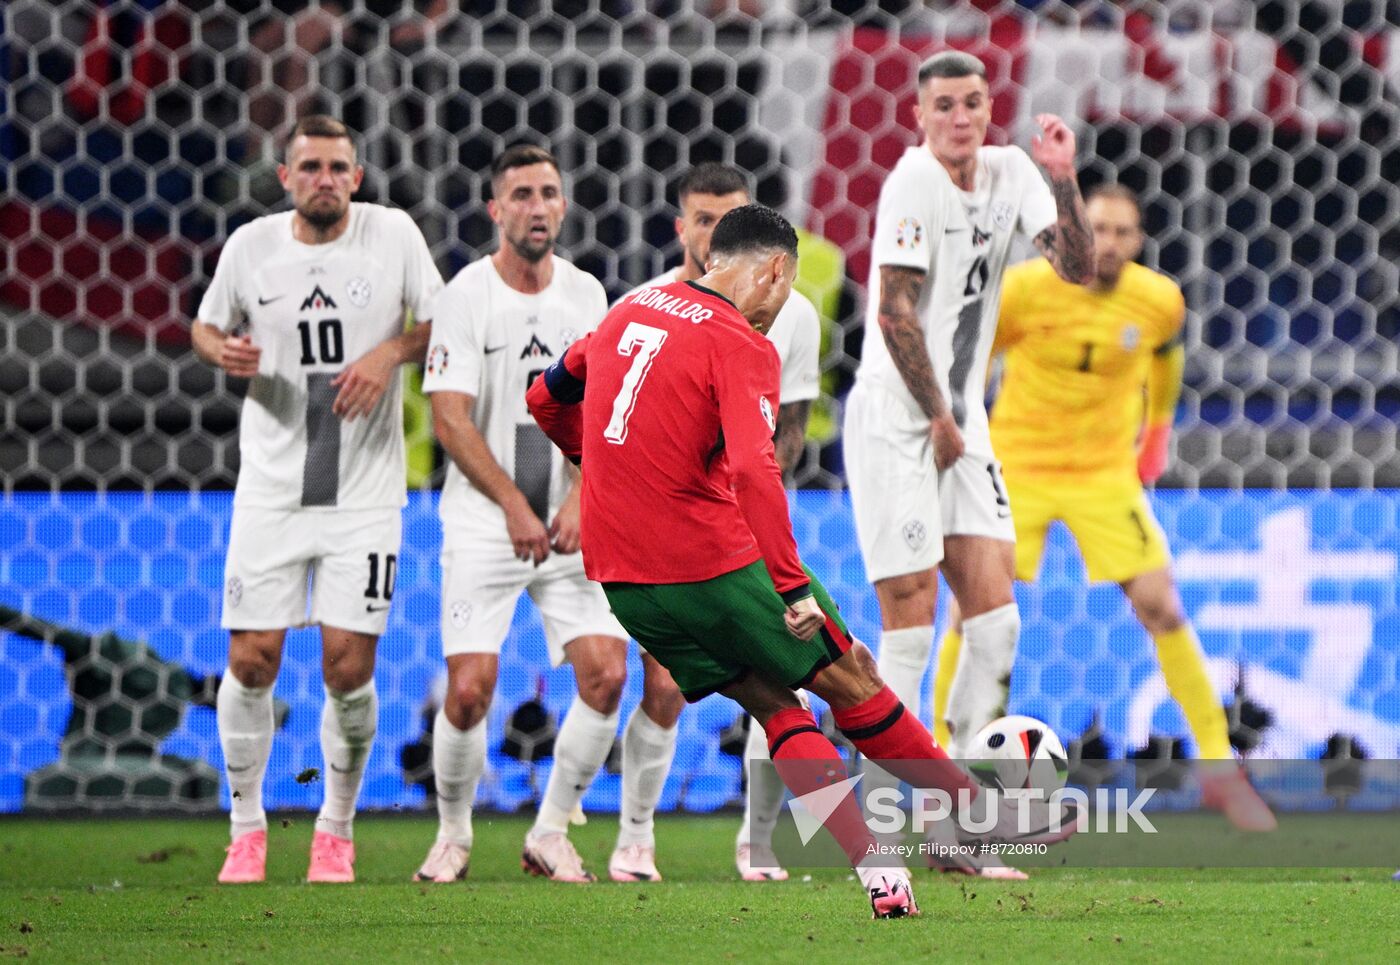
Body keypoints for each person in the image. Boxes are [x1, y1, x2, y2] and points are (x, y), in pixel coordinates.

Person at [527, 203, 1075, 920]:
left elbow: (545, 397)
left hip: (627, 581)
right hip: (712, 563)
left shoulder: (629, 310)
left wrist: (597, 462)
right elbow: (756, 473)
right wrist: (791, 586)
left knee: (773, 703)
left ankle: (880, 870)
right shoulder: (742, 343)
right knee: (853, 677)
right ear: (776, 270)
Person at [931, 184, 1276, 831]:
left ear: (1139, 239)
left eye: (1122, 231)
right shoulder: (1026, 289)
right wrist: (964, 434)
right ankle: (943, 761)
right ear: (1070, 232)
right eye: (1098, 229)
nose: (1109, 242)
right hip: (1019, 467)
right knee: (972, 609)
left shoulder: (1157, 299)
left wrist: (1157, 435)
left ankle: (1217, 766)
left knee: (1161, 604)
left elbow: (1166, 365)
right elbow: (975, 359)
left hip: (1102, 474)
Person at [191, 115, 443, 884]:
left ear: (357, 177)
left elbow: (440, 323)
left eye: (338, 167)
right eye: (311, 167)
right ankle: (246, 829)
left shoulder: (393, 235)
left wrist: (388, 351)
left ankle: (335, 828)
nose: (325, 179)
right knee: (251, 657)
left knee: (345, 666)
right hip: (269, 490)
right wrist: (222, 351)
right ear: (285, 174)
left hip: (362, 496)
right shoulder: (251, 247)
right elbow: (205, 326)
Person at [844, 50, 1093, 768]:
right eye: (945, 105)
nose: (960, 118)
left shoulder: (1015, 171)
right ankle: (886, 814)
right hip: (899, 417)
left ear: (991, 108)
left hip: (960, 421)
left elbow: (1076, 268)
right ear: (919, 114)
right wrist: (937, 416)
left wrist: (1063, 177)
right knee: (911, 622)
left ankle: (961, 808)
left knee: (997, 623)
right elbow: (894, 313)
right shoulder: (912, 182)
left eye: (973, 103)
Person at [413, 145, 631, 886]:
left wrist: (576, 497)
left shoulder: (588, 296)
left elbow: (603, 418)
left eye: (548, 193)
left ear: (563, 206)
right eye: (521, 195)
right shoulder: (466, 296)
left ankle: (549, 832)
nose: (537, 207)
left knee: (605, 675)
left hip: (570, 521)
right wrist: (513, 504)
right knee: (469, 688)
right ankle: (451, 836)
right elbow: (450, 417)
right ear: (495, 209)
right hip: (485, 523)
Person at [608, 163, 822, 885]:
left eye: (725, 220)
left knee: (783, 677)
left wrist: (755, 469)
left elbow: (789, 428)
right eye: (701, 220)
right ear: (683, 227)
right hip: (666, 525)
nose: (711, 235)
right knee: (663, 684)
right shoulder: (643, 305)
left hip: (744, 522)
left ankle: (758, 843)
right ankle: (635, 839)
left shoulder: (795, 315)